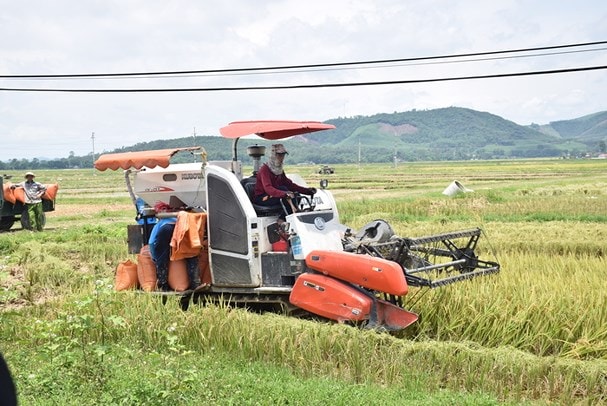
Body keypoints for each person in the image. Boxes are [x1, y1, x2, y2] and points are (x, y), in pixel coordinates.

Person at [253, 144, 316, 219]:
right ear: (273, 155)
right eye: (279, 155)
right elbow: (268, 188)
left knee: (296, 195)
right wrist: (284, 194)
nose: (282, 158)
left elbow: (289, 185)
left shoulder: (279, 170)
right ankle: (282, 220)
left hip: (274, 195)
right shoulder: (265, 169)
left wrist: (307, 191)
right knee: (284, 190)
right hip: (262, 198)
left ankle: (288, 218)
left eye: (283, 155)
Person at [148, 203, 200, 292]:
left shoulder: (160, 223)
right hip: (184, 228)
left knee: (162, 257)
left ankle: (163, 284)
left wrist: (155, 257)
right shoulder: (181, 218)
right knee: (190, 254)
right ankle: (195, 284)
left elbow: (152, 242)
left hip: (166, 229)